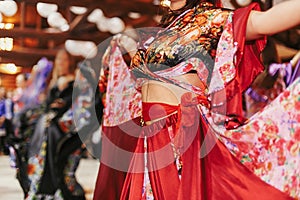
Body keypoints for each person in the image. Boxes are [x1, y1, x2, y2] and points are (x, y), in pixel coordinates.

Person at [93, 0, 300, 199]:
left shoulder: (211, 19)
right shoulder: (161, 31)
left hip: (182, 134)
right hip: (148, 137)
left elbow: (267, 20)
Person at [24, 49, 86, 200]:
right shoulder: (54, 81)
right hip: (47, 128)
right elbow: (46, 105)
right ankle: (45, 188)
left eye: (64, 59)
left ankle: (61, 190)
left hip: (66, 130)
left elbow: (80, 105)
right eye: (59, 59)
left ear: (69, 62)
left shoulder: (76, 79)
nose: (61, 63)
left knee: (64, 165)